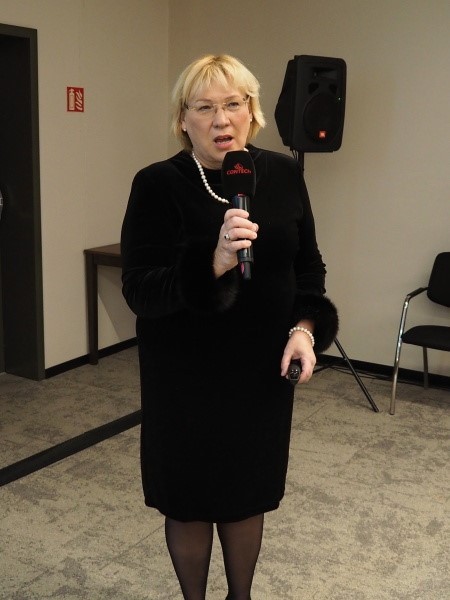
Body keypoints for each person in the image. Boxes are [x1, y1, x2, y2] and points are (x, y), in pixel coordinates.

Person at [121, 54, 338, 600]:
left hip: (259, 373)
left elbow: (308, 267)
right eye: (204, 107)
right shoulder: (157, 184)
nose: (221, 119)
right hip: (184, 377)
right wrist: (214, 261)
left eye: (233, 104)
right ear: (183, 118)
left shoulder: (283, 174)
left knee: (245, 497)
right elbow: (140, 290)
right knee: (189, 502)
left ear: (252, 111)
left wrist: (304, 329)